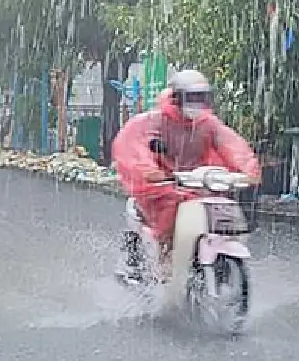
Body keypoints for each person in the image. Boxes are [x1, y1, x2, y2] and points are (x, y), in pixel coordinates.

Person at [110, 70, 260, 278]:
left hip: (197, 184)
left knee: (221, 206)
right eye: (192, 97)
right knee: (169, 210)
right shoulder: (154, 121)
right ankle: (165, 252)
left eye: (202, 97)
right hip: (161, 188)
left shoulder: (208, 125)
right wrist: (150, 171)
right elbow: (133, 145)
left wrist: (247, 171)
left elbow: (232, 145)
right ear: (177, 97)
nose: (197, 104)